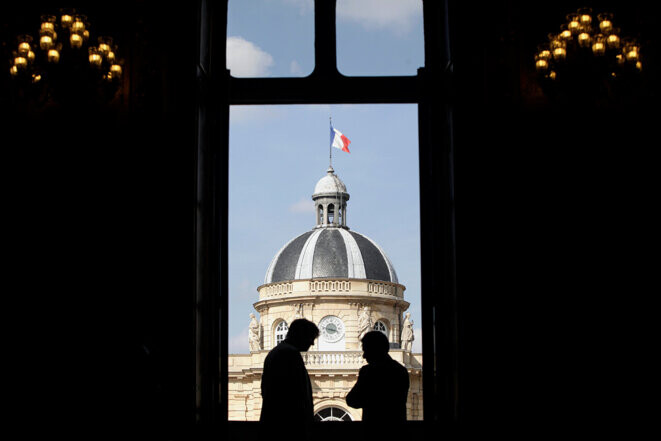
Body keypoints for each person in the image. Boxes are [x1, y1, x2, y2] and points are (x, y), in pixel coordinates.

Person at [260, 318, 319, 439]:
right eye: (311, 338)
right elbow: (295, 393)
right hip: (287, 427)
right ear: (301, 335)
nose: (312, 343)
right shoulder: (289, 354)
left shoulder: (278, 352)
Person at [346, 331, 409, 434]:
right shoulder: (400, 370)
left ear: (375, 350)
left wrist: (370, 400)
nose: (364, 356)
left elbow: (351, 400)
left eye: (366, 350)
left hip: (373, 430)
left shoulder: (368, 372)